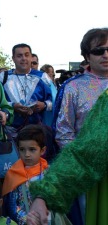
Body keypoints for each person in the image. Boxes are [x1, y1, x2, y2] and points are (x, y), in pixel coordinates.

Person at [43, 27, 108, 225]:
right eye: (99, 50)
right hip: (87, 171)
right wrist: (85, 161)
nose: (106, 54)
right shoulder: (73, 87)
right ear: (87, 56)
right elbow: (63, 132)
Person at [0, 44, 53, 131]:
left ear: (31, 57)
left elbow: (55, 101)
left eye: (27, 55)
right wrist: (12, 106)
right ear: (13, 58)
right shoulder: (3, 78)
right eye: (19, 56)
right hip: (9, 132)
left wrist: (44, 105)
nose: (23, 58)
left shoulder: (42, 77)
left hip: (36, 131)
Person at [2, 125, 48, 225]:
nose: (26, 154)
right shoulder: (14, 174)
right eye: (22, 149)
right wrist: (26, 219)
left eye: (32, 149)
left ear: (42, 150)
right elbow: (12, 206)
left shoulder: (49, 173)